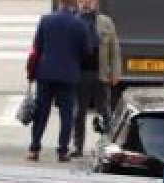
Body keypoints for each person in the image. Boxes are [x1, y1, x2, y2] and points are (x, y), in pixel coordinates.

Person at [27, 0, 93, 162]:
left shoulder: (46, 20)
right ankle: (62, 151)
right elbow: (87, 51)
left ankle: (34, 148)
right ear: (74, 4)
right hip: (68, 75)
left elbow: (37, 46)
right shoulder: (80, 24)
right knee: (66, 114)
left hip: (46, 73)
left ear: (60, 3)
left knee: (41, 112)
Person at [70, 0, 120, 158]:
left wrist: (116, 73)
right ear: (77, 3)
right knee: (78, 113)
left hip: (101, 74)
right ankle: (77, 146)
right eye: (82, 1)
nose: (86, 3)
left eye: (90, 1)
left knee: (104, 111)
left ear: (96, 3)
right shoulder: (73, 22)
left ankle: (109, 144)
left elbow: (114, 50)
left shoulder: (106, 22)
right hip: (80, 75)